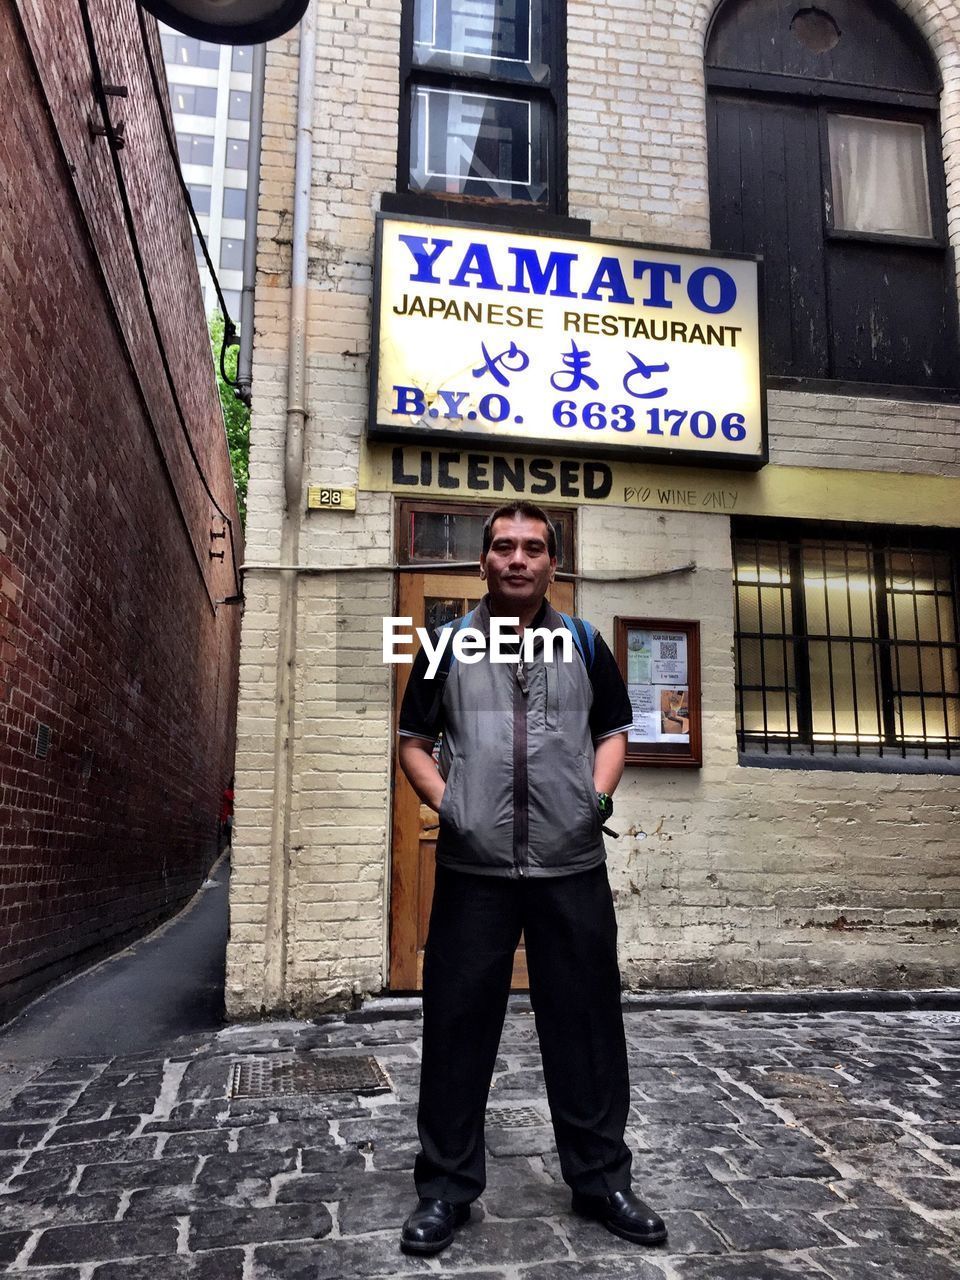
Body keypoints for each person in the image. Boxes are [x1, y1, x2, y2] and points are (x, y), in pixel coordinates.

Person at [396, 500, 667, 1256]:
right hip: (474, 870)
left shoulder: (584, 642)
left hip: (570, 865)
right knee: (456, 1028)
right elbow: (414, 741)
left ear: (552, 564)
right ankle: (445, 1190)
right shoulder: (443, 645)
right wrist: (454, 809)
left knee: (584, 1025)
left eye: (533, 548)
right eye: (504, 547)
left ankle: (601, 1180)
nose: (518, 559)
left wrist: (596, 799)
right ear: (483, 562)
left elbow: (614, 730)